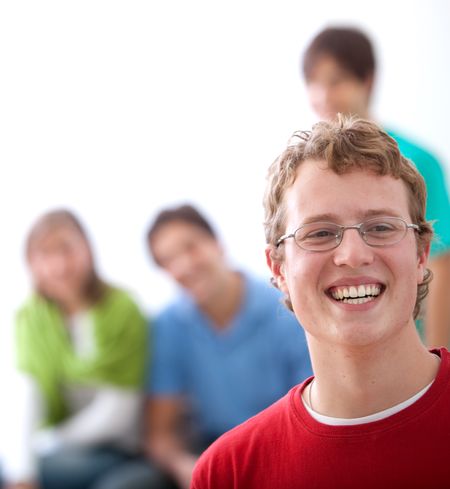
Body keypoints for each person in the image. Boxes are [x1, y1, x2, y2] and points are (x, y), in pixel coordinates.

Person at [191, 116, 450, 488]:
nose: (353, 255)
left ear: (422, 254)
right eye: (321, 233)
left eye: (380, 227)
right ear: (278, 268)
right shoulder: (228, 473)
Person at [301, 26, 450, 348]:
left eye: (336, 81)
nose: (323, 96)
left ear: (366, 80)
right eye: (314, 83)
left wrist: (440, 362)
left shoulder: (417, 161)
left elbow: (439, 266)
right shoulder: (307, 173)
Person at [144, 204, 312, 489]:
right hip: (211, 453)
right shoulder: (169, 325)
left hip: (282, 448)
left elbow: (312, 414)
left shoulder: (285, 308)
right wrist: (185, 467)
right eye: (168, 260)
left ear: (216, 243)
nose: (183, 265)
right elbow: (161, 434)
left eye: (190, 247)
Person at [1, 209, 153, 489]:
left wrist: (54, 441)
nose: (59, 264)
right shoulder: (31, 318)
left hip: (116, 447)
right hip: (58, 444)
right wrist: (22, 473)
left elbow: (119, 412)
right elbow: (27, 393)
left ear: (87, 250)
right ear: (31, 263)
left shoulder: (123, 310)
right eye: (45, 254)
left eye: (66, 249)